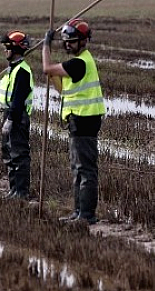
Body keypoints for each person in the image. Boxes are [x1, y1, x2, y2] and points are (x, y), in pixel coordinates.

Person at [43, 19, 105, 224]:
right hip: (77, 120)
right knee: (77, 168)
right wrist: (53, 75)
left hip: (85, 120)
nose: (67, 44)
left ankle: (87, 215)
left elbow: (46, 67)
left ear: (84, 41)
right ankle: (78, 212)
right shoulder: (75, 64)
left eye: (72, 41)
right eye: (65, 41)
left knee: (85, 170)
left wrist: (45, 45)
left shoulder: (80, 63)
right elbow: (62, 89)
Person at [0, 30, 34, 199]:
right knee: (8, 153)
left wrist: (11, 119)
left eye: (7, 47)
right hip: (9, 114)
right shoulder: (12, 69)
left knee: (19, 154)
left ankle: (21, 191)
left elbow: (18, 99)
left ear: (16, 49)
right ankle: (13, 189)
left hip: (18, 117)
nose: (4, 50)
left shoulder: (22, 71)